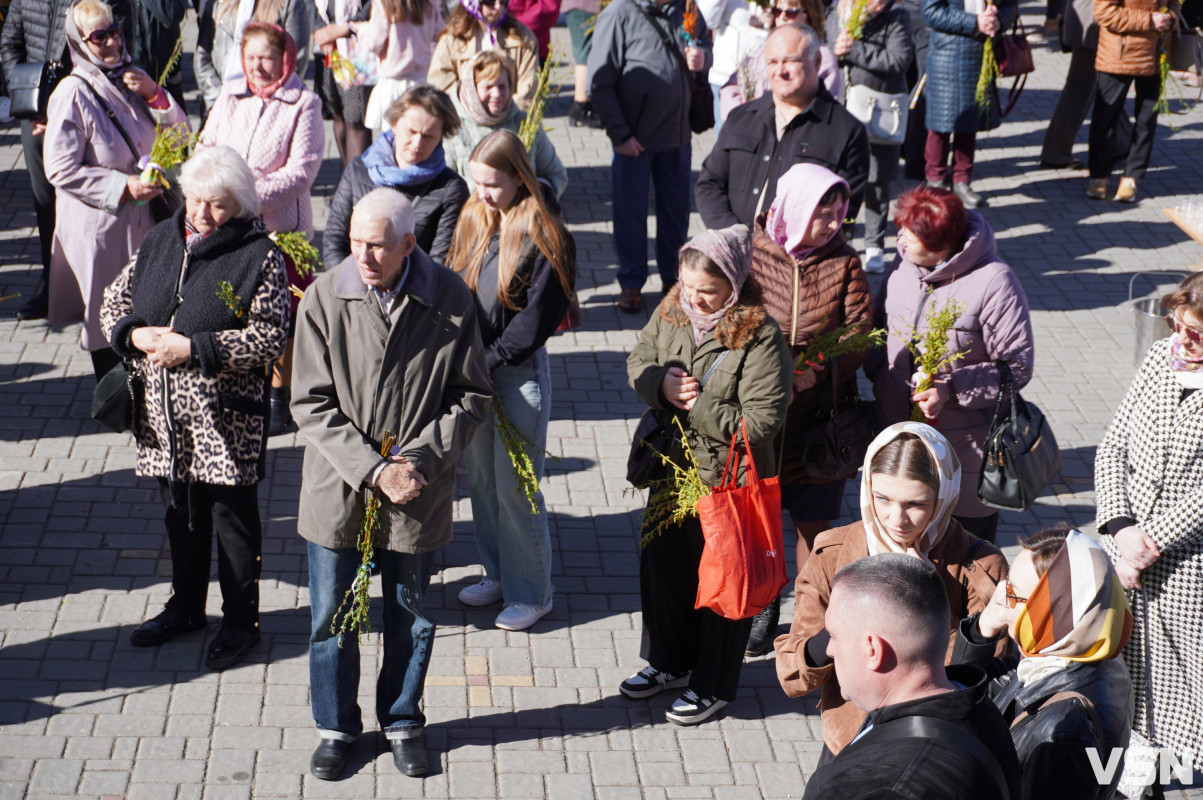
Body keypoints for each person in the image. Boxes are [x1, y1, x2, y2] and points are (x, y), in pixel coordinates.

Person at [291, 188, 490, 781]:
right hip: (340, 486)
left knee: (410, 612)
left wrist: (419, 461)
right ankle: (335, 727)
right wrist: (374, 469)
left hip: (416, 489)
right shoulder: (327, 296)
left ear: (409, 244)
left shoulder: (449, 297)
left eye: (377, 245)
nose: (363, 256)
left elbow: (473, 395)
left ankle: (402, 720)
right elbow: (309, 401)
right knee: (332, 615)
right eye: (355, 242)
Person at [98, 145, 290, 671]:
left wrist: (196, 349)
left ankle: (240, 623)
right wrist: (133, 334)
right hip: (163, 420)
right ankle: (185, 608)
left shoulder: (260, 255)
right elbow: (113, 302)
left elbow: (271, 337)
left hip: (225, 421)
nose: (203, 215)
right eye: (197, 201)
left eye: (219, 205)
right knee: (180, 519)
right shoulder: (162, 238)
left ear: (242, 205)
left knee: (234, 527)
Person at [624, 224, 792, 725]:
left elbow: (762, 421)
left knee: (725, 584)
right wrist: (660, 384)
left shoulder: (762, 336)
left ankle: (713, 684)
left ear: (735, 286)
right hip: (671, 467)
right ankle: (668, 663)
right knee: (663, 571)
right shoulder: (674, 305)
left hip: (729, 480)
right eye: (688, 286)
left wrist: (697, 407)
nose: (694, 300)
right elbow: (639, 359)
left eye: (708, 292)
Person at [774, 422, 1008, 756]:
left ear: (943, 498)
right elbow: (792, 674)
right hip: (849, 741)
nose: (896, 518)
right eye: (882, 498)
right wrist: (846, 623)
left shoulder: (978, 565)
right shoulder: (832, 552)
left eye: (916, 504)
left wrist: (928, 596)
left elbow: (978, 680)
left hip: (934, 744)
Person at [446, 130, 575, 631]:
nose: (481, 193)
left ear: (520, 179)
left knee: (516, 487)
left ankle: (532, 591)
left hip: (513, 375)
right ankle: (498, 573)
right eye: (476, 182)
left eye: (493, 185)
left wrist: (483, 362)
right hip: (475, 370)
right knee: (480, 481)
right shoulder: (476, 217)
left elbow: (534, 324)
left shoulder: (546, 233)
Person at [743, 164, 871, 658]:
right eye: (824, 210)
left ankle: (807, 619)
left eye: (840, 212)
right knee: (761, 520)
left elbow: (860, 333)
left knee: (815, 526)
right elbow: (729, 321)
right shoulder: (751, 255)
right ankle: (762, 606)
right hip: (764, 418)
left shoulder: (845, 264)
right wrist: (770, 374)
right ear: (796, 206)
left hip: (821, 422)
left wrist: (815, 369)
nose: (835, 221)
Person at [866, 185, 1034, 544]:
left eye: (913, 236)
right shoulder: (904, 262)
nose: (902, 240)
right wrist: (879, 372)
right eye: (904, 230)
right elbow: (880, 323)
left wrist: (951, 388)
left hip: (963, 446)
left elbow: (1017, 365)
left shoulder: (994, 282)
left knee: (962, 555)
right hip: (900, 437)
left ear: (944, 244)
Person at [1094, 271, 1203, 789]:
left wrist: (1146, 543)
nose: (1183, 339)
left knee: (1182, 685)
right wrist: (1119, 526)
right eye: (1177, 325)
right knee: (1129, 675)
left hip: (1187, 566)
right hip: (1125, 548)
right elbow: (1112, 446)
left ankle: (1163, 772)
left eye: (1197, 332)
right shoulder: (1161, 359)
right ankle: (1134, 773)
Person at [44, 0, 190, 381]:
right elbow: (59, 168)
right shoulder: (70, 93)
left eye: (114, 31)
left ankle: (142, 397)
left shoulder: (131, 78)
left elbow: (181, 139)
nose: (111, 42)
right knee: (105, 320)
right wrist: (122, 186)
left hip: (144, 224)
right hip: (101, 231)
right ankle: (114, 403)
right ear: (79, 43)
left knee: (143, 309)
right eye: (98, 37)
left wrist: (155, 94)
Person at [800, 553, 1022, 800]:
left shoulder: (868, 789)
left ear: (873, 650)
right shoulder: (982, 709)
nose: (829, 650)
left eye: (834, 636)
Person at [197, 22, 324, 436]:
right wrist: (219, 199)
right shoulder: (230, 97)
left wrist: (244, 201)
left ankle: (279, 396)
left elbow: (302, 172)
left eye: (267, 57)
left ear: (285, 57)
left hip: (280, 231)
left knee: (283, 317)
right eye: (250, 57)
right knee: (232, 311)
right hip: (226, 228)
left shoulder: (304, 102)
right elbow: (205, 148)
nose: (258, 66)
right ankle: (239, 390)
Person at [953, 525, 1134, 800]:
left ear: (1056, 611)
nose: (1003, 603)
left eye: (1014, 594)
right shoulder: (1081, 650)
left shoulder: (1063, 732)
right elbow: (965, 695)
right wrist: (983, 629)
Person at [588, 0, 712, 314]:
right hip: (634, 142)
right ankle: (631, 283)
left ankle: (674, 282)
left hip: (677, 138)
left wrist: (703, 60)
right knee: (630, 213)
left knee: (675, 213)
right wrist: (620, 134)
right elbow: (599, 83)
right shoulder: (619, 13)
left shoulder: (687, 8)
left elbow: (704, 47)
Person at [695, 23, 869, 233]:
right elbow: (709, 184)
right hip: (735, 254)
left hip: (798, 261)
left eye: (790, 60)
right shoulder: (741, 118)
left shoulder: (847, 132)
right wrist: (734, 236)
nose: (780, 71)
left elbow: (843, 216)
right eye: (772, 62)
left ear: (817, 61)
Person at [324, 85, 469, 267]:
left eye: (428, 136)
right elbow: (334, 239)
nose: (417, 143)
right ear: (394, 124)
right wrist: (349, 289)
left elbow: (441, 261)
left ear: (441, 136)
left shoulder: (451, 188)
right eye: (412, 131)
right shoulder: (359, 169)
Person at [0, 0, 82, 320]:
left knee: (80, 202)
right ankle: (52, 290)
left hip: (80, 112)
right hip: (34, 114)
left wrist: (67, 106)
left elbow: (113, 50)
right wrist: (25, 91)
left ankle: (89, 291)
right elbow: (9, 42)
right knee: (45, 203)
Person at [826, 0, 913, 274]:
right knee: (842, 181)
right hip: (842, 111)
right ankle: (843, 238)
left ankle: (875, 244)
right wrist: (836, 50)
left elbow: (899, 60)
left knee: (878, 182)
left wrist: (855, 49)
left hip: (879, 112)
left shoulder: (897, 16)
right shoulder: (837, 11)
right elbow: (826, 54)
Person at [921, 0, 1017, 208]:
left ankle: (962, 181)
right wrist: (975, 22)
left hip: (979, 54)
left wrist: (998, 20)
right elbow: (931, 11)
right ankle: (935, 182)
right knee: (941, 123)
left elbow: (1011, 6)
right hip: (947, 53)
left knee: (970, 123)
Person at [1085, 0, 1177, 202]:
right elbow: (1104, 13)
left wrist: (1171, 18)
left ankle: (1132, 176)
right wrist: (1149, 20)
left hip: (1155, 54)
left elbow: (1174, 6)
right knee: (1105, 118)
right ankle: (1099, 175)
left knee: (1146, 119)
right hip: (1118, 55)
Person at [445, 50, 568, 199]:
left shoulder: (526, 123)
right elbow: (446, 187)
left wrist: (536, 197)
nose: (497, 94)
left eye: (502, 86)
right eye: (488, 87)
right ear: (472, 89)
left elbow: (556, 174)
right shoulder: (452, 128)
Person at [316, 0, 444, 134]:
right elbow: (438, 33)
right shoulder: (428, 4)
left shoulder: (384, 4)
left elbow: (374, 42)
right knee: (416, 130)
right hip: (421, 80)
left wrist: (361, 29)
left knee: (394, 134)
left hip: (393, 82)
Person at [1038, 0, 1131, 170]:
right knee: (1080, 90)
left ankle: (1122, 144)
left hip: (1093, 19)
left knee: (1108, 85)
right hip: (1094, 21)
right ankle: (1055, 154)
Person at [713, 0, 841, 123]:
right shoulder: (765, 48)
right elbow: (733, 86)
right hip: (752, 132)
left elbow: (823, 109)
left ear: (810, 15)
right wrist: (742, 118)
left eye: (791, 12)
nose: (783, 17)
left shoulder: (821, 57)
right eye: (778, 11)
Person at [195, 0, 310, 116]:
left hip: (267, 109)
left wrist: (265, 104)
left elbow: (294, 62)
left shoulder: (288, 4)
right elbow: (202, 56)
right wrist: (217, 99)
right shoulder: (217, 2)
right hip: (219, 104)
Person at [427, 0, 540, 110]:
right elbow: (440, 83)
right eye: (489, 2)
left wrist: (505, 115)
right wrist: (471, 109)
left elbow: (528, 91)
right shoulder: (452, 39)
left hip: (510, 123)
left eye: (503, 1)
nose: (498, 7)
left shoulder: (523, 39)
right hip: (463, 121)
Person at [313, 0, 373, 165]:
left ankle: (360, 183)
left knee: (355, 118)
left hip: (356, 46)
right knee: (337, 113)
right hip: (324, 46)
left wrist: (344, 29)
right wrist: (321, 30)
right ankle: (347, 176)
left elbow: (374, 4)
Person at [561, 0, 604, 126]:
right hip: (585, 6)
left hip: (581, 6)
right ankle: (580, 106)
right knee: (585, 54)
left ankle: (583, 105)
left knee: (584, 52)